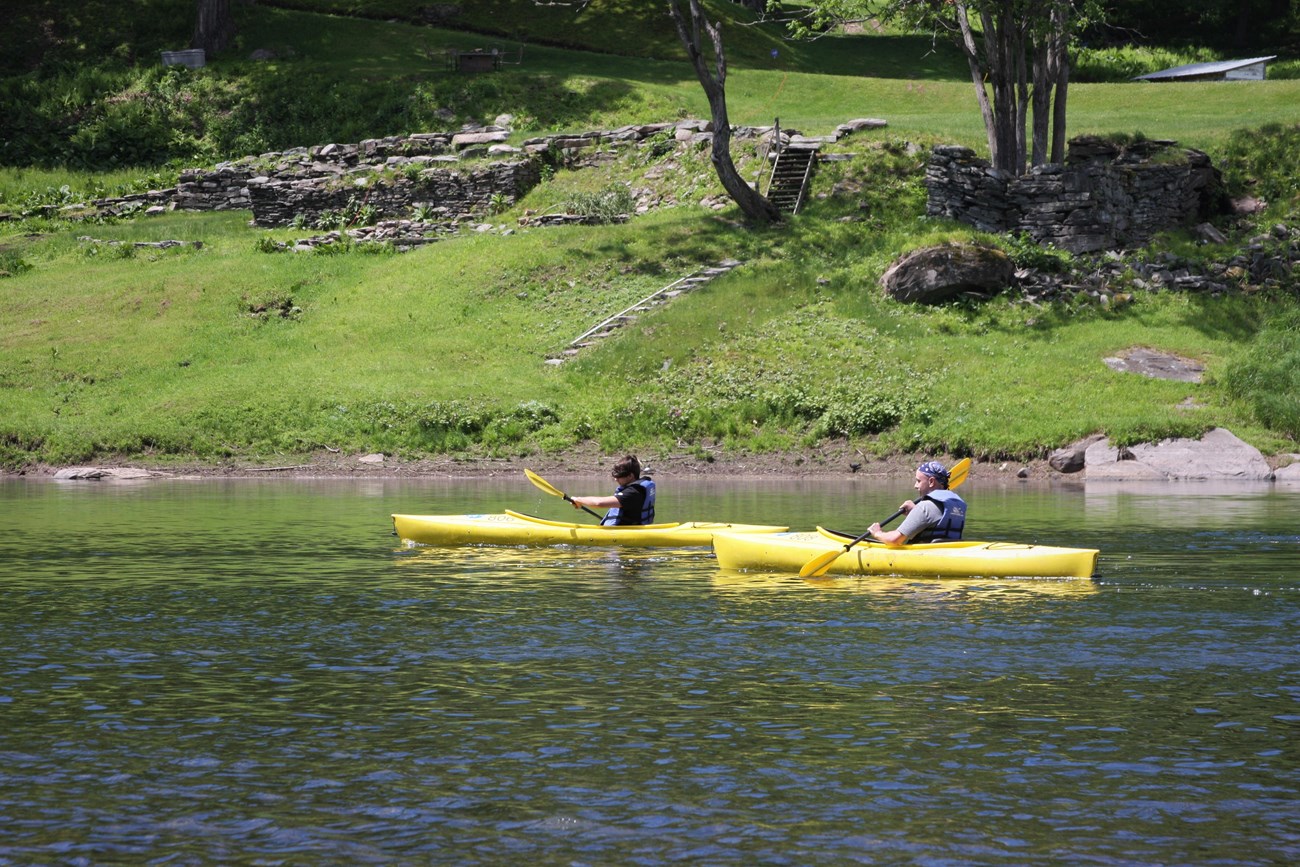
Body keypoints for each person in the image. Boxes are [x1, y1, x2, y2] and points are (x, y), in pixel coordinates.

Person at [868, 460, 965, 546]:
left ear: (931, 482)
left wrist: (878, 533)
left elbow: (894, 540)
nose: (915, 486)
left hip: (926, 556)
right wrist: (915, 511)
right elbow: (933, 520)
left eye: (918, 481)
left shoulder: (925, 507)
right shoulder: (957, 505)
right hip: (948, 553)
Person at [570, 455, 656, 526]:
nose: (615, 479)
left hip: (627, 534)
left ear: (630, 476)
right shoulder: (638, 489)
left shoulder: (633, 492)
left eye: (619, 476)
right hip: (633, 529)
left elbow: (598, 503)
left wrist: (579, 499)